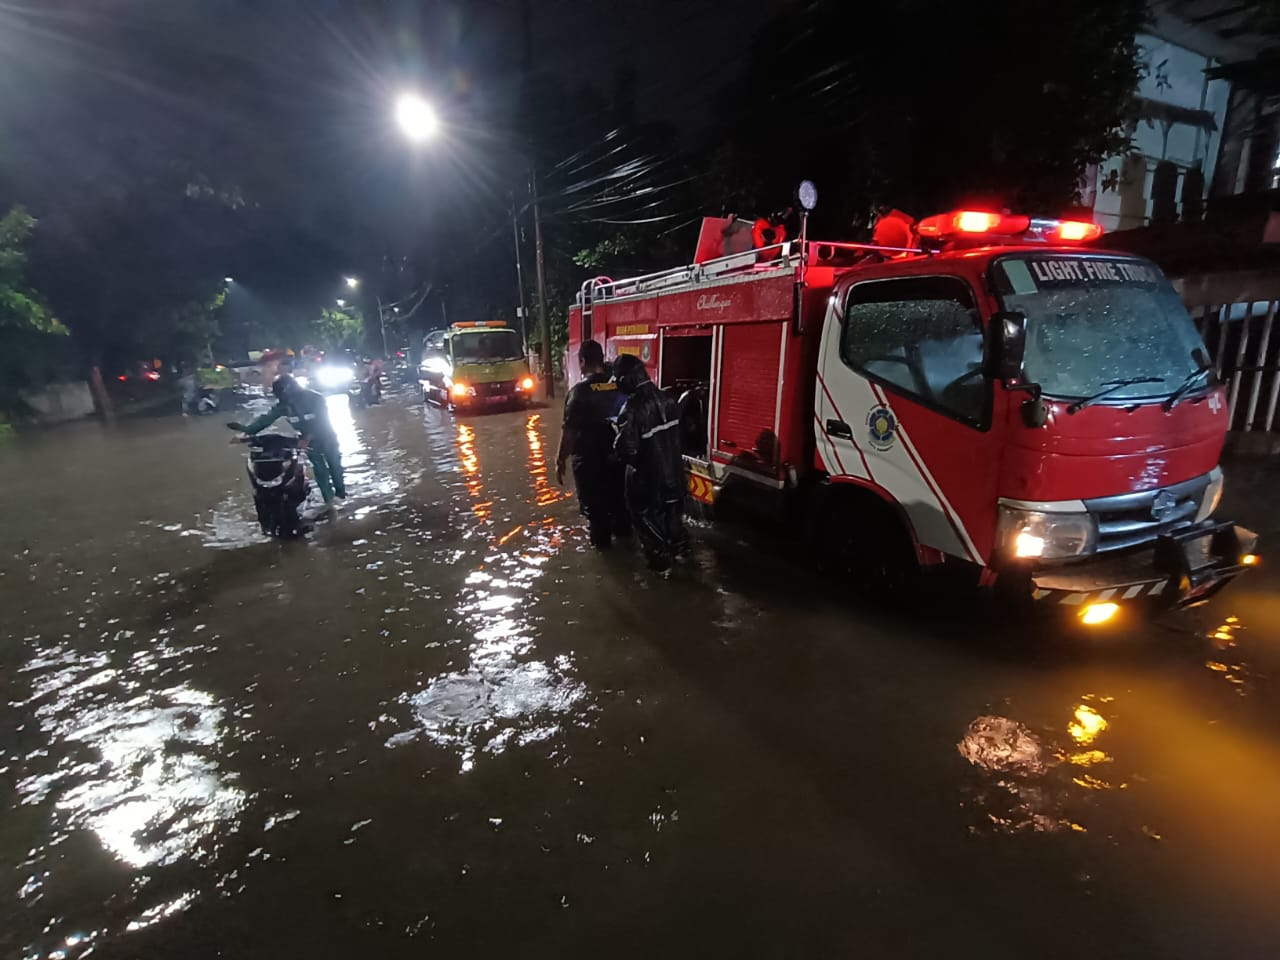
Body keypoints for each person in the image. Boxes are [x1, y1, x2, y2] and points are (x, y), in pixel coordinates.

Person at [613, 354, 689, 571]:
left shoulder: (632, 409)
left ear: (628, 378)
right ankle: (683, 573)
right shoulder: (669, 399)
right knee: (676, 535)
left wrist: (615, 440)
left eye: (618, 378)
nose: (617, 384)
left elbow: (627, 451)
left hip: (649, 489)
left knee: (655, 545)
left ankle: (663, 586)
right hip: (676, 483)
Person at [555, 340, 630, 548]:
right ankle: (629, 553)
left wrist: (560, 460)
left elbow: (569, 432)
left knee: (597, 518)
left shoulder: (579, 392)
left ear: (582, 361)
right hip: (619, 461)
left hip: (589, 464)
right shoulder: (620, 385)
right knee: (621, 510)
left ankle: (606, 561)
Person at [233, 374, 347, 508]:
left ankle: (340, 495)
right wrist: (247, 431)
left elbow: (321, 421)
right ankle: (329, 501)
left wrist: (306, 438)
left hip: (326, 437)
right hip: (309, 442)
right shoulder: (284, 405)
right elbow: (266, 419)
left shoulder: (315, 398)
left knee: (334, 465)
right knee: (319, 470)